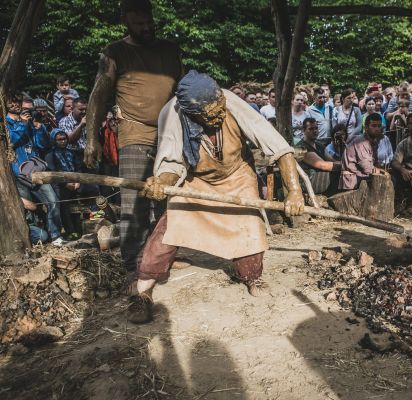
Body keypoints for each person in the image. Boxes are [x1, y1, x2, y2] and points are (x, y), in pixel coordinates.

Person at [129, 70, 304, 323]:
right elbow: (171, 164)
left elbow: (279, 148)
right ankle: (143, 289)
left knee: (249, 227)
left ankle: (252, 277)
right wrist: (161, 182)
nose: (221, 115)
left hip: (237, 174)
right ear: (193, 113)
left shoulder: (230, 101)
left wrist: (294, 192)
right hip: (194, 178)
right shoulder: (173, 114)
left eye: (221, 108)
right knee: (171, 224)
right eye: (213, 114)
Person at [84, 0, 184, 273]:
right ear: (126, 22)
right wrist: (92, 138)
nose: (147, 27)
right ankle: (132, 262)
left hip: (169, 135)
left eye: (148, 21)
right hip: (134, 132)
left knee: (168, 197)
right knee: (134, 201)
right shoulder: (114, 52)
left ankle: (163, 255)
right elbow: (98, 95)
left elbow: (183, 89)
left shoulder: (170, 50)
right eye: (139, 23)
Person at [5, 94, 64, 246]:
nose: (16, 105)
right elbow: (11, 141)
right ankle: (33, 240)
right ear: (5, 103)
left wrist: (38, 128)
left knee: (53, 201)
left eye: (18, 101)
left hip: (36, 171)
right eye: (12, 101)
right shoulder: (5, 123)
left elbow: (43, 145)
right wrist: (22, 124)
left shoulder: (30, 122)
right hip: (18, 175)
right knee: (28, 210)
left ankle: (55, 236)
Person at [339, 113, 386, 190]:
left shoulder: (373, 141)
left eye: (379, 126)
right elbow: (367, 169)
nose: (377, 129)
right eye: (373, 126)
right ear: (366, 127)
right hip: (352, 181)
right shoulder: (361, 142)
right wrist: (383, 172)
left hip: (359, 177)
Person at [298, 118, 341, 195]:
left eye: (316, 128)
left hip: (320, 176)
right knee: (338, 174)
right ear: (304, 130)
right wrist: (346, 165)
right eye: (310, 129)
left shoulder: (319, 145)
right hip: (309, 180)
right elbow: (323, 165)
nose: (314, 131)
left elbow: (332, 161)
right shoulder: (302, 148)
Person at [58, 97, 88, 162]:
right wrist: (81, 125)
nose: (84, 112)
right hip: (73, 156)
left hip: (87, 154)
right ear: (73, 109)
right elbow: (69, 140)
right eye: (81, 109)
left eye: (86, 109)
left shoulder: (89, 120)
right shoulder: (64, 121)